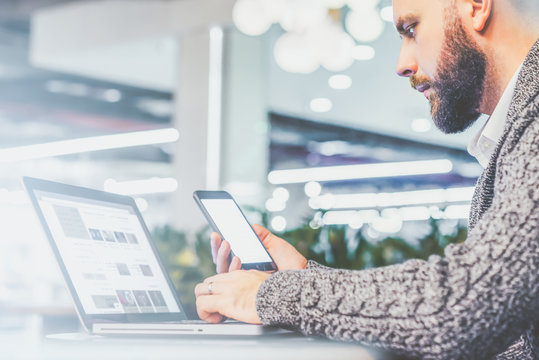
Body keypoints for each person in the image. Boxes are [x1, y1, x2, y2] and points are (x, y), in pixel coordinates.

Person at [194, 0, 539, 358]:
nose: (402, 65)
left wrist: (269, 295)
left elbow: (464, 309)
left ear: (476, 6)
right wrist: (302, 277)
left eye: (411, 29)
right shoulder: (512, 137)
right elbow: (511, 342)